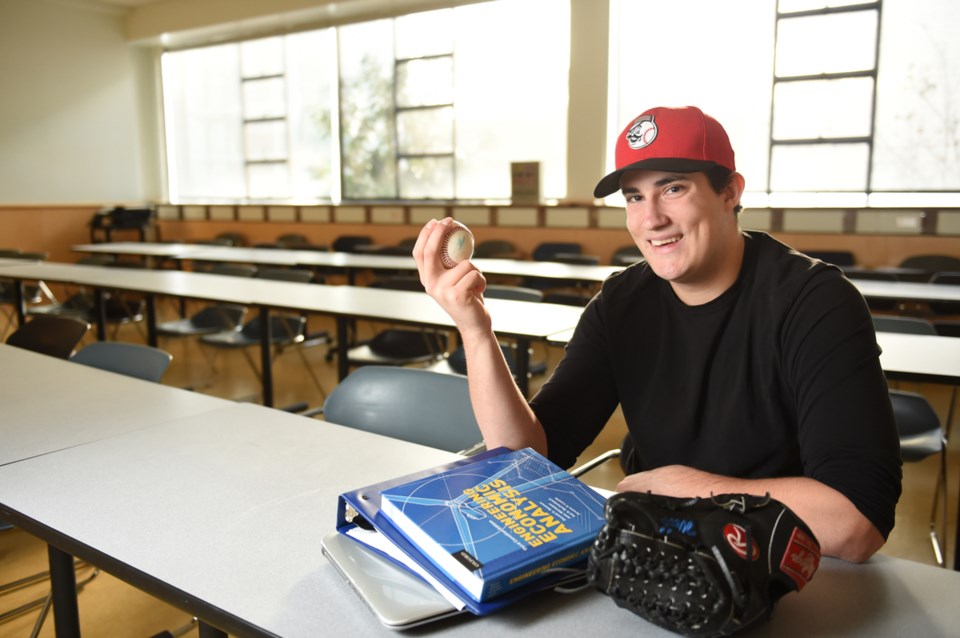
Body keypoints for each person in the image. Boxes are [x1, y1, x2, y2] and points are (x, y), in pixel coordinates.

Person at [412, 105, 902, 563]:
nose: (651, 219)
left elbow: (855, 524)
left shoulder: (815, 302)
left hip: (784, 560)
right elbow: (528, 459)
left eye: (673, 189)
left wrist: (686, 486)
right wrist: (474, 328)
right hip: (660, 552)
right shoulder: (622, 304)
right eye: (634, 197)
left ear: (730, 192)